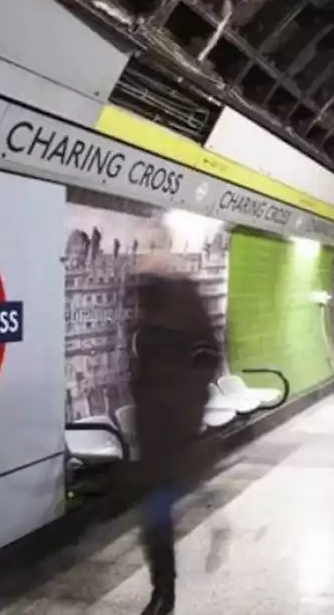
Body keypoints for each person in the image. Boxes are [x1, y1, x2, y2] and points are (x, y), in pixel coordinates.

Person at [129, 253, 222, 615]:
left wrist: (185, 418)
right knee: (155, 515)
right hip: (153, 432)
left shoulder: (183, 315)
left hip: (175, 432)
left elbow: (203, 364)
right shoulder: (148, 316)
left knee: (156, 512)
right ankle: (162, 592)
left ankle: (163, 593)